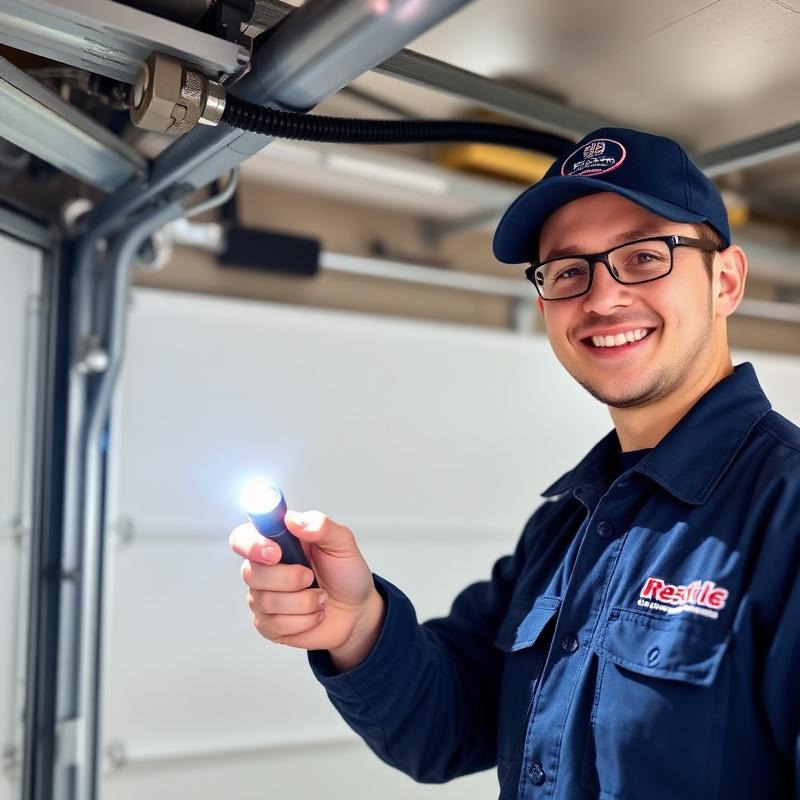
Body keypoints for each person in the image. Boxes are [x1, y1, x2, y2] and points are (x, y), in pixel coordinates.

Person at [229, 127, 800, 799]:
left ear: (725, 279)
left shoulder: (785, 514)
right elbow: (446, 728)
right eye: (567, 271)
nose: (601, 297)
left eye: (644, 257)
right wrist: (357, 626)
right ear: (545, 303)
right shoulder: (569, 525)